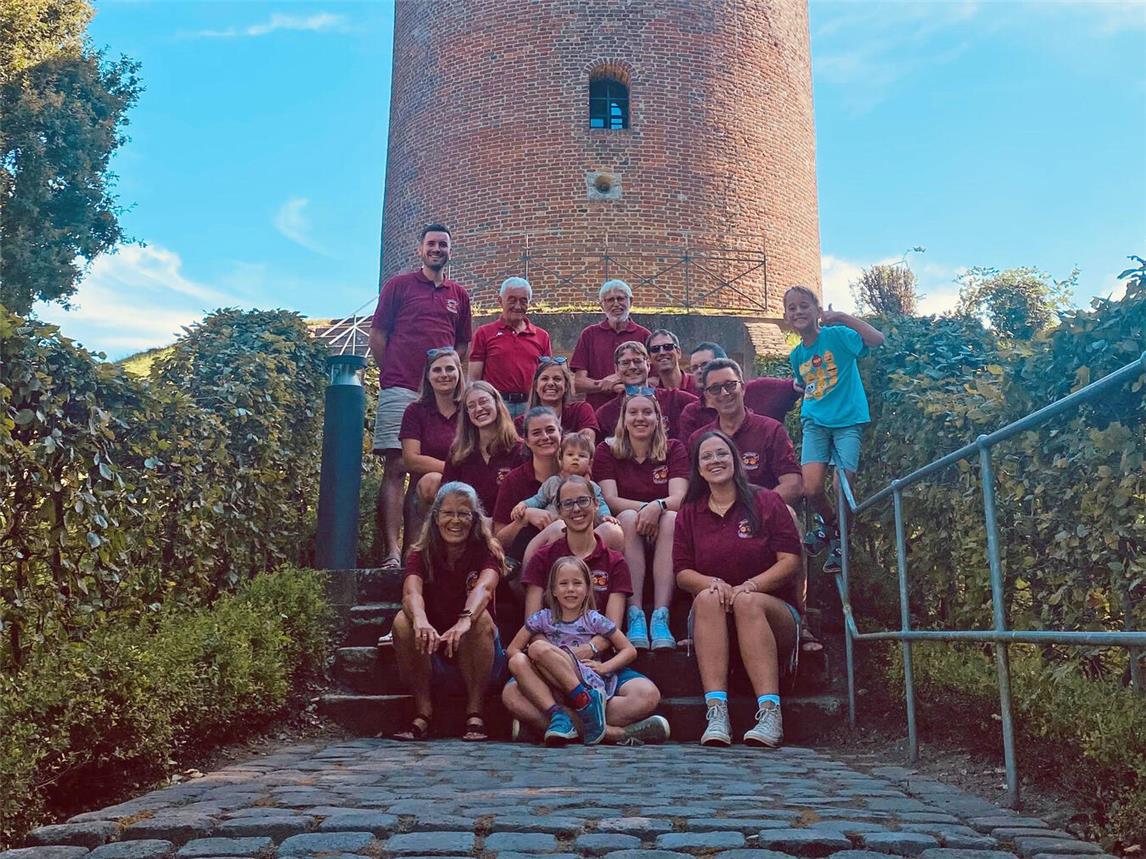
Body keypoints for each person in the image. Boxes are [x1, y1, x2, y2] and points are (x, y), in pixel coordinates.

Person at [674, 430, 804, 748]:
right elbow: (682, 573)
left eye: (722, 453)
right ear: (698, 468)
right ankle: (717, 714)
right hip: (712, 616)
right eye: (707, 456)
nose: (715, 461)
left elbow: (790, 562)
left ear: (734, 458)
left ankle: (770, 713)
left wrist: (751, 586)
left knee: (747, 603)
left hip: (772, 613)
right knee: (707, 597)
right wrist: (713, 584)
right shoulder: (690, 512)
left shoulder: (765, 501)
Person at [369, 223, 472, 569]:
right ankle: (392, 552)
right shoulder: (398, 286)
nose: (437, 249)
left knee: (423, 473)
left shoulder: (459, 295)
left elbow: (461, 346)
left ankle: (415, 550)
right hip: (401, 385)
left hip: (438, 391)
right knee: (397, 465)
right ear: (420, 249)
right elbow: (378, 334)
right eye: (431, 244)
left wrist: (448, 379)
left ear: (450, 251)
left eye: (443, 244)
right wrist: (391, 373)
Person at [505, 554, 669, 745]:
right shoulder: (542, 618)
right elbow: (513, 649)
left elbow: (629, 650)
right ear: (553, 591)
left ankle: (558, 720)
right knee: (523, 658)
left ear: (587, 589)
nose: (570, 589)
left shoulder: (594, 619)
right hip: (551, 683)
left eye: (577, 583)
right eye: (563, 584)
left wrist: (604, 667)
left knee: (538, 648)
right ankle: (612, 732)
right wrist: (534, 671)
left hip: (585, 679)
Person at [390, 481, 506, 741]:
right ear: (436, 517)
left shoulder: (488, 551)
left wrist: (464, 621)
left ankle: (475, 712)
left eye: (463, 514)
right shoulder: (420, 553)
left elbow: (485, 588)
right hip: (433, 650)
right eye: (448, 513)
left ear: (474, 518)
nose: (456, 521)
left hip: (482, 655)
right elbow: (411, 592)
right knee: (402, 621)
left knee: (480, 619)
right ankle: (423, 710)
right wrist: (420, 620)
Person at [784, 286, 885, 574]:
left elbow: (877, 339)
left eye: (804, 305)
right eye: (792, 308)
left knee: (842, 486)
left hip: (848, 421)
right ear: (786, 317)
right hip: (815, 422)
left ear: (817, 311)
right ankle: (831, 527)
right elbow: (807, 383)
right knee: (812, 488)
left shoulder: (837, 336)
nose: (798, 312)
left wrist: (841, 316)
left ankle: (840, 540)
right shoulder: (795, 355)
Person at [595, 393, 689, 651]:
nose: (640, 418)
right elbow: (611, 500)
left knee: (670, 517)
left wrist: (657, 508)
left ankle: (660, 616)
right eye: (633, 412)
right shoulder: (607, 450)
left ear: (658, 418)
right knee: (625, 517)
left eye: (647, 412)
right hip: (628, 529)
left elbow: (679, 498)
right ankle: (635, 615)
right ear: (623, 419)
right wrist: (646, 510)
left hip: (665, 530)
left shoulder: (673, 448)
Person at [688, 358, 803, 506]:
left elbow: (793, 486)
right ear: (708, 396)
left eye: (730, 385)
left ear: (742, 388)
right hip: (718, 521)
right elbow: (695, 492)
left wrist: (750, 511)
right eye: (715, 389)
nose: (724, 393)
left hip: (764, 518)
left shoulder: (771, 430)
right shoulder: (698, 440)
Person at [511, 433, 624, 572]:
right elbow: (538, 499)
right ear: (561, 459)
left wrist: (605, 516)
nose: (575, 458)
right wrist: (524, 504)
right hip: (548, 528)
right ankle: (515, 563)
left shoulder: (592, 486)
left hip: (576, 530)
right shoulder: (553, 482)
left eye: (582, 456)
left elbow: (600, 503)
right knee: (527, 532)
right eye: (570, 454)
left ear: (590, 463)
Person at [400, 348, 464, 542]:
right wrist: (453, 470)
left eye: (450, 369)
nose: (444, 375)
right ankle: (433, 545)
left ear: (459, 373)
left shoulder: (470, 408)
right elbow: (411, 459)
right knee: (433, 482)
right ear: (428, 376)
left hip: (471, 483)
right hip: (427, 491)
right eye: (437, 370)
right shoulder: (415, 411)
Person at [678, 342, 803, 442]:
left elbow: (797, 384)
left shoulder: (758, 390)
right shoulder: (692, 413)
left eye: (705, 365)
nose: (699, 371)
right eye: (694, 368)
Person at [468, 277, 552, 418]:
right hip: (497, 405)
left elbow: (547, 375)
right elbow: (474, 378)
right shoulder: (484, 333)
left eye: (523, 301)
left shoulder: (542, 336)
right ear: (500, 301)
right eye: (512, 300)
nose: (518, 306)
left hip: (530, 406)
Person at [441, 382, 521, 518]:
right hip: (469, 526)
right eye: (471, 406)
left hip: (509, 526)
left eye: (483, 401)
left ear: (497, 403)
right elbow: (446, 497)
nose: (478, 409)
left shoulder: (519, 449)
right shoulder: (458, 452)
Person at [571, 280, 652, 410]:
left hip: (637, 410)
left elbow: (655, 380)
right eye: (609, 300)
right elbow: (579, 383)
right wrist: (608, 385)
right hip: (598, 412)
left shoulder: (645, 335)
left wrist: (624, 384)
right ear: (602, 305)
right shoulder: (589, 335)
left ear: (631, 301)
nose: (616, 304)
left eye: (620, 299)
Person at [594, 341, 697, 441]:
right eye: (625, 363)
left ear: (648, 365)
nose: (632, 367)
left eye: (637, 361)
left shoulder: (675, 400)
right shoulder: (605, 414)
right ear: (616, 369)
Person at [515, 357, 599, 442]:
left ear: (566, 386)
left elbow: (586, 444)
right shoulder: (521, 423)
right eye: (545, 379)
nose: (551, 383)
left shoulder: (581, 410)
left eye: (557, 379)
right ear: (536, 386)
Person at [646, 329, 697, 394]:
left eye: (668, 347)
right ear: (649, 358)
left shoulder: (698, 384)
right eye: (655, 349)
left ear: (678, 352)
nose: (662, 352)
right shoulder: (651, 392)